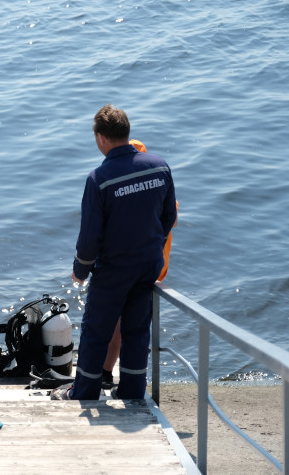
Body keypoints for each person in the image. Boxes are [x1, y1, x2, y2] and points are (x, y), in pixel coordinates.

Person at [65, 105, 177, 400]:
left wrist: (81, 269)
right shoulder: (159, 166)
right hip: (149, 263)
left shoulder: (99, 179)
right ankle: (131, 391)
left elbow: (89, 236)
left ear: (101, 138)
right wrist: (151, 243)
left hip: (115, 268)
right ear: (126, 133)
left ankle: (84, 392)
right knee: (137, 330)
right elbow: (168, 218)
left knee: (96, 331)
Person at [100, 139, 179, 389]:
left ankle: (105, 374)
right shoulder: (156, 184)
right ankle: (129, 382)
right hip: (152, 269)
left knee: (116, 328)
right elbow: (171, 219)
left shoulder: (116, 183)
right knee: (133, 329)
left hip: (127, 269)